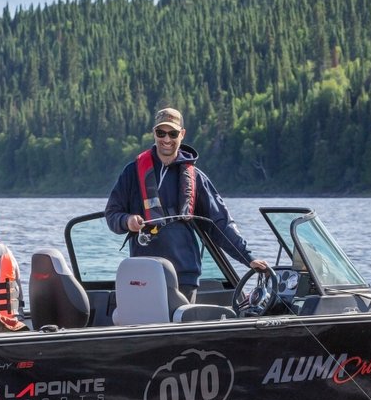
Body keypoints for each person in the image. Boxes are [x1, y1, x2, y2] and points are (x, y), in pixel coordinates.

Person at [105, 107, 268, 302]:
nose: (166, 139)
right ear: (154, 133)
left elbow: (220, 224)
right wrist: (127, 220)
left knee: (179, 324)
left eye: (172, 133)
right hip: (144, 274)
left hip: (184, 275)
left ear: (182, 134)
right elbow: (112, 214)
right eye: (161, 133)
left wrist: (248, 258)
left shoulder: (196, 179)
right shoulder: (131, 173)